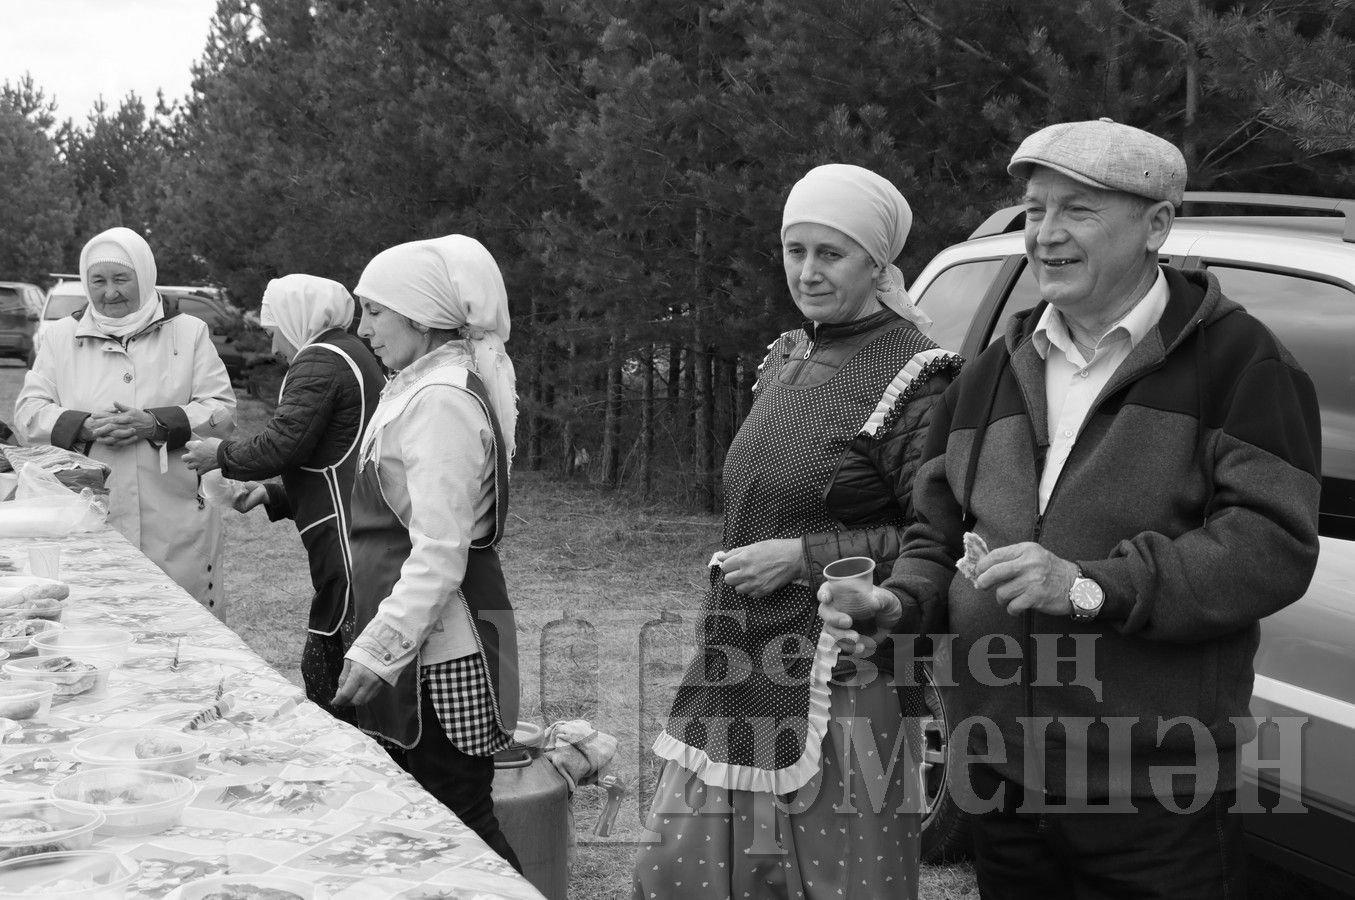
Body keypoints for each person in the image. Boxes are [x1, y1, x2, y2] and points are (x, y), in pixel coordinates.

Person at [820, 120, 1322, 899]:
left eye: (1077, 211)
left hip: (1154, 791)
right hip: (1000, 779)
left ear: (1156, 223)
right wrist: (897, 601)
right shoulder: (989, 373)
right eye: (1033, 210)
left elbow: (1271, 544)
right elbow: (936, 532)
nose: (1045, 235)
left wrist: (1092, 586)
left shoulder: (1240, 363)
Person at [634, 164, 963, 900]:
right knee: (677, 873)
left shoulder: (918, 377)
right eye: (794, 250)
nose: (807, 272)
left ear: (877, 264)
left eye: (831, 254)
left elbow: (935, 540)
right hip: (736, 655)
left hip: (840, 673)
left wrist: (802, 558)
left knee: (824, 882)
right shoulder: (788, 355)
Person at [329, 234, 521, 870]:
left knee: (460, 826)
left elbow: (440, 550)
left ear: (416, 312)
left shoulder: (440, 400)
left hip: (444, 649)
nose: (364, 328)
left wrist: (382, 646)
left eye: (375, 312)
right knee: (430, 826)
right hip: (421, 639)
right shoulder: (415, 385)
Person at [182, 274, 384, 722]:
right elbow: (334, 459)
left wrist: (218, 454)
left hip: (347, 547)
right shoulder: (353, 354)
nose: (273, 347)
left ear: (298, 318)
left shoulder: (319, 359)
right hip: (361, 530)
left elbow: (282, 445)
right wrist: (273, 496)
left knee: (331, 681)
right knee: (338, 671)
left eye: (274, 331)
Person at [15, 227, 236, 611]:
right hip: (87, 515)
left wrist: (154, 424)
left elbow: (221, 410)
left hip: (174, 515)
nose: (110, 292)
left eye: (121, 279)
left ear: (145, 276)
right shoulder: (62, 337)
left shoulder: (188, 333)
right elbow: (28, 412)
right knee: (100, 622)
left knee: (180, 626)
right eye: (97, 281)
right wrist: (82, 425)